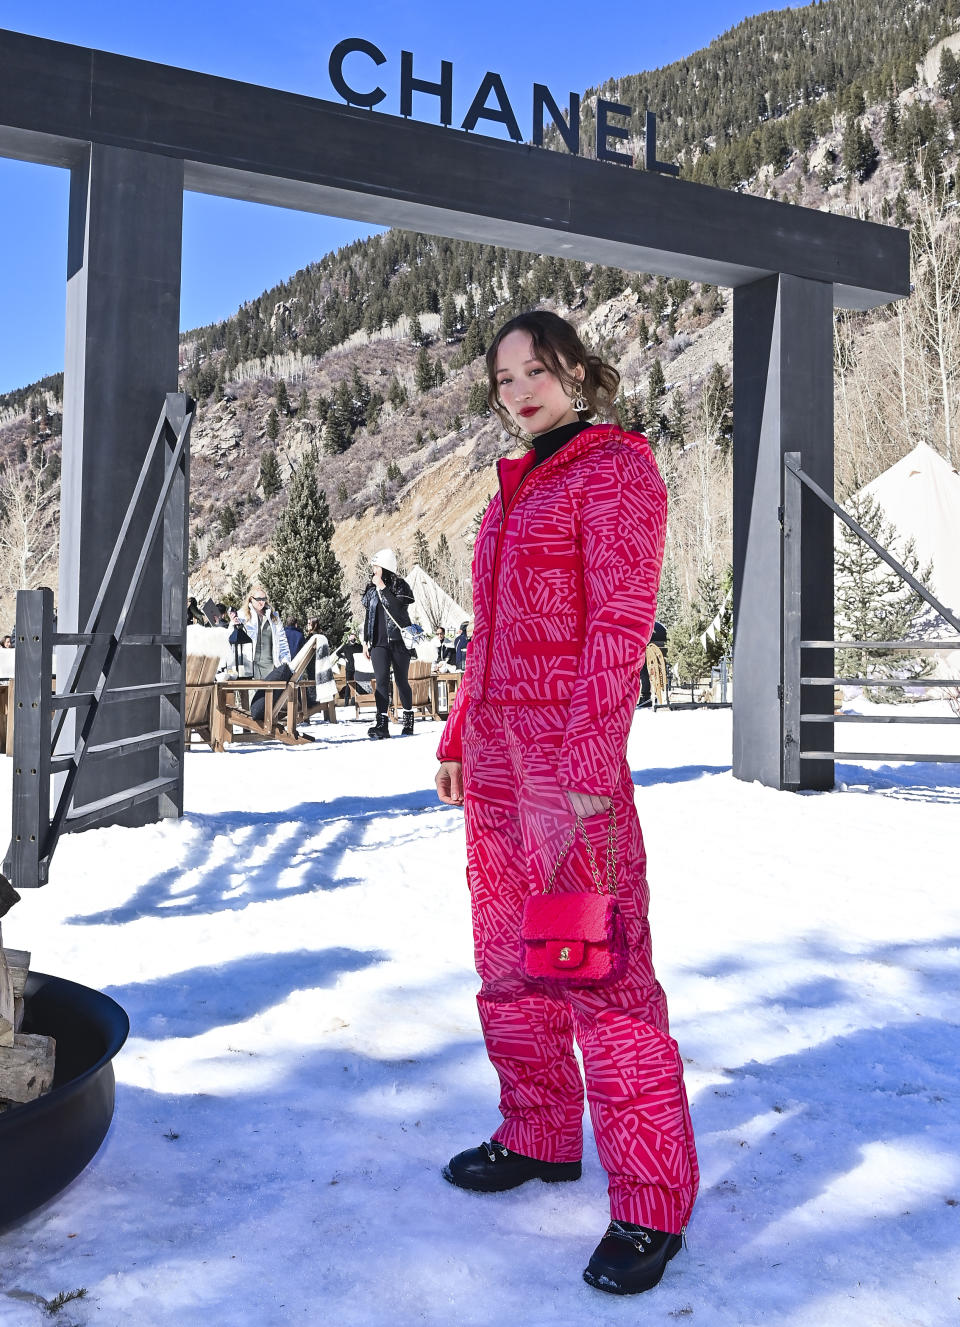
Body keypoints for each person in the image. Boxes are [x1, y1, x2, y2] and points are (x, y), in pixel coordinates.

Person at [434, 310, 698, 1296]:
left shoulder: (617, 469)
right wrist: (461, 733)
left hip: (566, 777)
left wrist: (591, 756)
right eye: (501, 379)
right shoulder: (506, 498)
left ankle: (649, 1200)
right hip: (498, 772)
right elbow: (489, 638)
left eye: (535, 370)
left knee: (597, 974)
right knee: (511, 966)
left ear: (578, 371)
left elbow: (620, 622)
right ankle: (540, 1134)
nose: (518, 390)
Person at [361, 549, 416, 738]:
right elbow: (368, 615)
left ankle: (408, 720)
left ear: (384, 567)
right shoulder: (370, 589)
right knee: (381, 682)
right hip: (378, 642)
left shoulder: (399, 586)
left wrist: (383, 587)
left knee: (401, 681)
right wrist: (365, 641)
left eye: (376, 566)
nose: (373, 570)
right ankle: (382, 724)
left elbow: (397, 610)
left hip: (398, 641)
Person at [238, 586, 291, 722]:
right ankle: (249, 725)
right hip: (252, 664)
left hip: (269, 663)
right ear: (251, 599)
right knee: (252, 697)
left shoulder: (273, 616)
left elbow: (282, 641)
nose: (261, 602)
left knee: (269, 696)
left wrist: (285, 661)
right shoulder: (243, 615)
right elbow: (235, 638)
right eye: (258, 599)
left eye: (263, 598)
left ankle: (268, 724)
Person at [638, 620, 668, 708]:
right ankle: (654, 695)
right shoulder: (659, 627)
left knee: (645, 674)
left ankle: (646, 696)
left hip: (647, 652)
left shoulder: (644, 627)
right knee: (650, 674)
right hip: (658, 654)